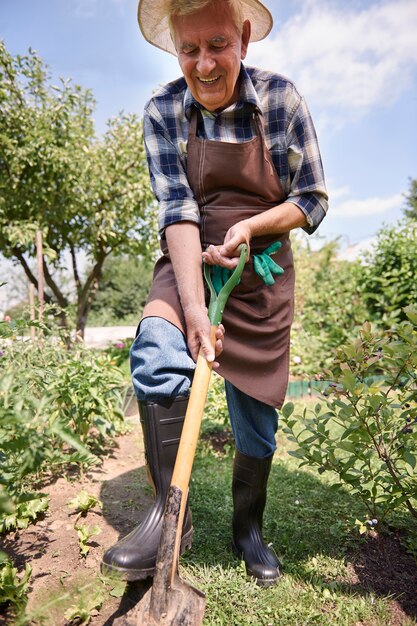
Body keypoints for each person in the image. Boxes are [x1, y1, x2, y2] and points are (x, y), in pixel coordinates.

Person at [102, 0, 328, 587]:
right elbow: (176, 209)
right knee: (156, 349)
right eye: (189, 49)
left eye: (217, 45)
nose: (202, 64)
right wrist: (196, 309)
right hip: (190, 261)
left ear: (244, 38)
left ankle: (247, 529)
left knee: (255, 420)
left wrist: (252, 227)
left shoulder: (281, 100)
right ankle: (166, 518)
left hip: (261, 270)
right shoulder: (161, 110)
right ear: (175, 49)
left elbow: (312, 199)